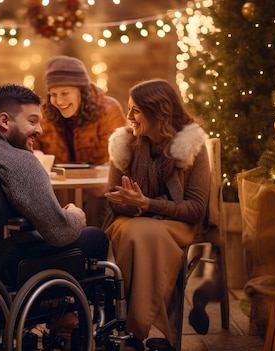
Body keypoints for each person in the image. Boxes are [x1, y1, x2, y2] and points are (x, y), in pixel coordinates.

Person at [0, 83, 109, 263]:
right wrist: (75, 217)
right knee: (96, 237)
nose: (40, 130)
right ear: (5, 121)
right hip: (2, 264)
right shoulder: (20, 161)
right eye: (32, 121)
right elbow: (60, 234)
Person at [103, 79, 210, 350]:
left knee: (141, 234)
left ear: (158, 112)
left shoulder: (190, 146)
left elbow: (195, 209)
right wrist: (133, 204)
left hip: (178, 222)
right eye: (129, 109)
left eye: (135, 110)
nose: (129, 117)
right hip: (130, 220)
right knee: (133, 232)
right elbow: (113, 199)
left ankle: (130, 329)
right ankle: (141, 330)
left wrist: (148, 204)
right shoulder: (124, 143)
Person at [35, 55, 126, 227]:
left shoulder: (109, 109)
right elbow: (32, 146)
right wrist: (36, 153)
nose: (59, 101)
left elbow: (121, 156)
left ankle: (95, 248)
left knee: (97, 203)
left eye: (65, 93)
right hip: (58, 186)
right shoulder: (43, 113)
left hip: (98, 188)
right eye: (53, 94)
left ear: (82, 91)